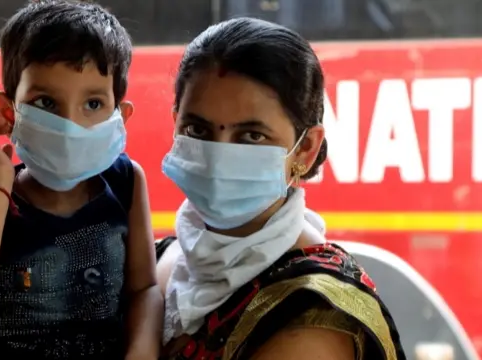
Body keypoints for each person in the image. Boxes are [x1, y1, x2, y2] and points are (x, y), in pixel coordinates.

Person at [155, 17, 406, 360]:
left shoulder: (309, 319)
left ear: (306, 149)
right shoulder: (164, 258)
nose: (217, 158)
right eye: (198, 130)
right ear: (175, 124)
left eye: (251, 136)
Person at [0, 1, 162, 359]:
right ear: (9, 112)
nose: (71, 124)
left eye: (92, 104)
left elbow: (144, 287)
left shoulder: (126, 181)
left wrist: (142, 351)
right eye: (46, 103)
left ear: (120, 114)